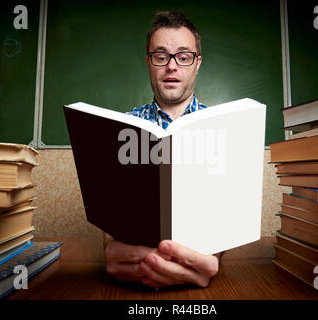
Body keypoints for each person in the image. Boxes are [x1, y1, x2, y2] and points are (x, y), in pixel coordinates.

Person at [103, 11, 222, 289]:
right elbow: (111, 216)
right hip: (133, 284)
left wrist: (218, 255)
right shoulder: (119, 128)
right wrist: (110, 246)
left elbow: (225, 218)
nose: (172, 66)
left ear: (197, 63)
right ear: (149, 62)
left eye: (183, 56)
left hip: (202, 285)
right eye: (160, 56)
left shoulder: (223, 128)